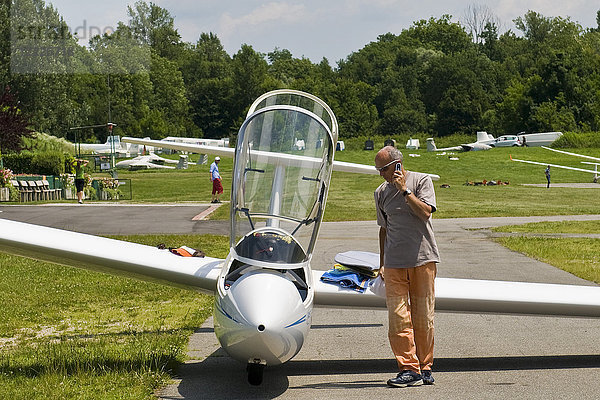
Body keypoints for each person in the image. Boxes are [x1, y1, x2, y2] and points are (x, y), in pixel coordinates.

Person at [374, 146, 440, 388]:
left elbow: (425, 213)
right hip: (394, 263)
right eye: (378, 170)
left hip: (423, 259)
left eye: (384, 169)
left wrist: (404, 190)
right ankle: (408, 368)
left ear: (398, 164)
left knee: (423, 316)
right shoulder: (380, 192)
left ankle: (425, 367)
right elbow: (384, 229)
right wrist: (382, 263)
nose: (381, 174)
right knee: (398, 318)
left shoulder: (422, 181)